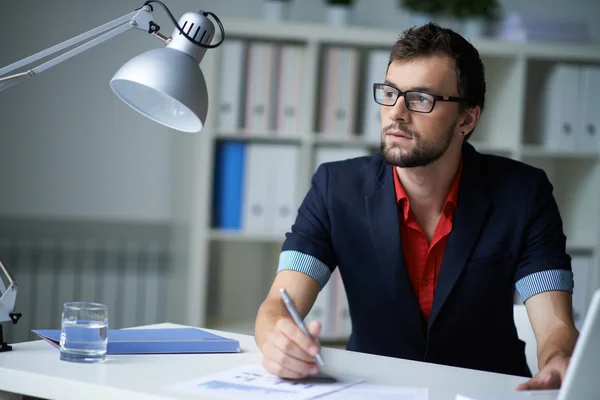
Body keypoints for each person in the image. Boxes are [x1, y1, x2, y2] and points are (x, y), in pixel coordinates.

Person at [253, 22, 579, 391]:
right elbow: (277, 304)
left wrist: (556, 363)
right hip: (375, 390)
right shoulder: (334, 189)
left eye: (421, 99)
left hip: (486, 392)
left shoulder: (523, 194)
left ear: (467, 118)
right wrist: (276, 339)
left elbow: (555, 325)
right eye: (390, 93)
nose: (396, 112)